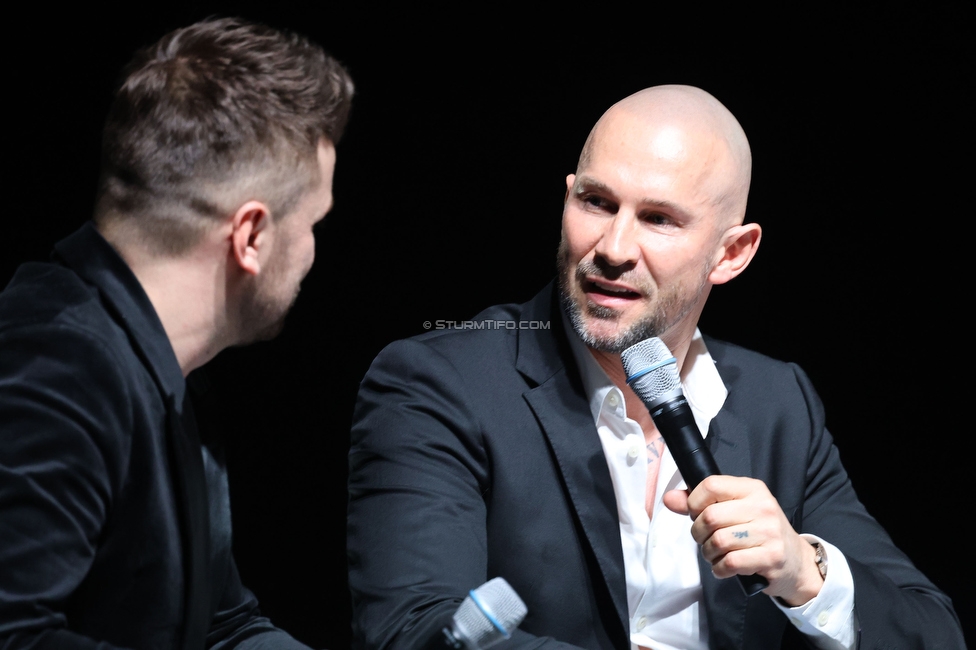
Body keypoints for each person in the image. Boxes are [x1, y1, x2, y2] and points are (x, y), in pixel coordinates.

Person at [346, 85, 965, 649]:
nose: (613, 249)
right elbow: (415, 629)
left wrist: (809, 574)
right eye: (595, 202)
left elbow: (933, 633)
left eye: (659, 219)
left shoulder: (778, 402)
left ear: (732, 253)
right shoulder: (441, 381)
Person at [0, 17, 353, 648]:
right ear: (251, 236)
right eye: (314, 223)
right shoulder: (53, 369)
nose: (312, 251)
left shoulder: (167, 369)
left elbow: (221, 625)